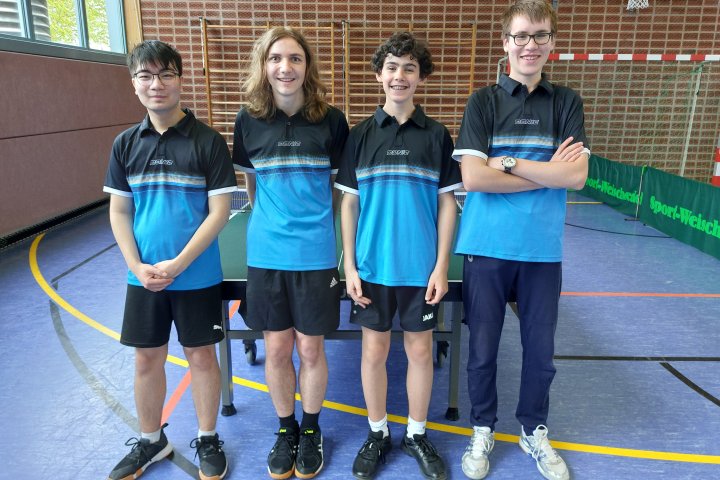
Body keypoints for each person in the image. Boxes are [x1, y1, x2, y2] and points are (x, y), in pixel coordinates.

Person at [452, 1, 590, 479]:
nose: (531, 44)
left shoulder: (566, 102)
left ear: (552, 42)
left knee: (540, 353)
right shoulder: (483, 102)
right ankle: (482, 428)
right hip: (486, 247)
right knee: (483, 351)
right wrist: (546, 173)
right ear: (506, 42)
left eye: (541, 35)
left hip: (541, 251)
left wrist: (508, 163)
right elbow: (473, 178)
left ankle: (533, 430)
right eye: (522, 35)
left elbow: (576, 176)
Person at [103, 40, 236, 480]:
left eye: (165, 74)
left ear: (180, 79)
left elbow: (219, 212)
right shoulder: (125, 144)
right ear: (134, 84)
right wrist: (137, 266)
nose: (156, 84)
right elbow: (120, 212)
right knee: (146, 359)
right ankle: (151, 441)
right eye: (146, 76)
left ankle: (208, 437)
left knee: (201, 356)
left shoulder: (208, 142)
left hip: (196, 276)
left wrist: (178, 264)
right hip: (143, 277)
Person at [335, 32, 462, 480]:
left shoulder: (437, 135)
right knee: (374, 351)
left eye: (409, 68)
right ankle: (377, 432)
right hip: (372, 267)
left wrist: (441, 265)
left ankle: (416, 433)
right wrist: (350, 265)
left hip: (420, 269)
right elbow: (349, 203)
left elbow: (448, 203)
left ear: (420, 77)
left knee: (421, 352)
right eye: (392, 67)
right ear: (379, 74)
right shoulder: (360, 135)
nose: (400, 76)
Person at [231, 27, 349, 479]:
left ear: (307, 67)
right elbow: (251, 186)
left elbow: (337, 190)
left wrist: (316, 227)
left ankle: (312, 429)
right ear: (264, 66)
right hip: (266, 255)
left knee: (311, 348)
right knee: (277, 348)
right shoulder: (248, 121)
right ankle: (286, 429)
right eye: (276, 58)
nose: (286, 67)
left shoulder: (332, 121)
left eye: (295, 58)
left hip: (315, 255)